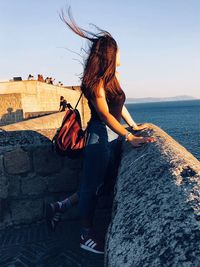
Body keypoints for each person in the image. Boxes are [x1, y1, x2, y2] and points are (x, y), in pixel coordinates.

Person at [46, 8, 155, 254]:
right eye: (118, 52)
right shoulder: (94, 82)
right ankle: (85, 235)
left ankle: (58, 207)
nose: (121, 56)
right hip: (99, 136)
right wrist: (129, 136)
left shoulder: (111, 78)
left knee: (98, 184)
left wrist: (134, 126)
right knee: (91, 186)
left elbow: (119, 106)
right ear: (109, 55)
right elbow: (105, 114)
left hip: (113, 135)